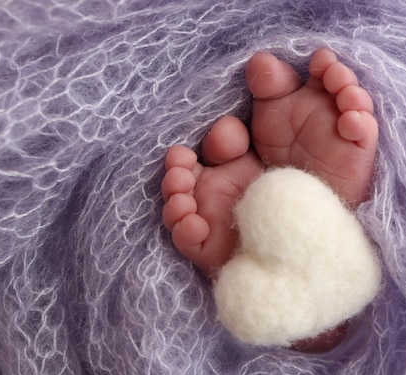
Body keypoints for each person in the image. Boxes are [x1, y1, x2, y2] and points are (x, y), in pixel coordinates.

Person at [161, 48, 379, 351]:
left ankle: (310, 322)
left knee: (319, 324)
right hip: (330, 285)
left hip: (319, 291)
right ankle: (317, 322)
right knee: (332, 328)